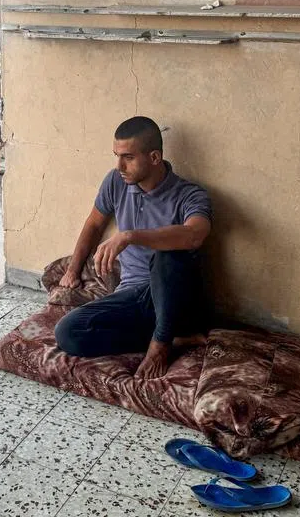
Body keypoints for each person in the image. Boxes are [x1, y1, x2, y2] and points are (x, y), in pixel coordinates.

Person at [53, 116, 212, 380]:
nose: (119, 166)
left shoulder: (190, 195)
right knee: (68, 333)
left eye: (127, 157)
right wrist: (73, 269)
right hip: (133, 298)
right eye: (116, 156)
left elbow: (194, 234)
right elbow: (94, 223)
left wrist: (131, 236)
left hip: (176, 302)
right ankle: (172, 340)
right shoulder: (116, 182)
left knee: (168, 256)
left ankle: (161, 345)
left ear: (154, 157)